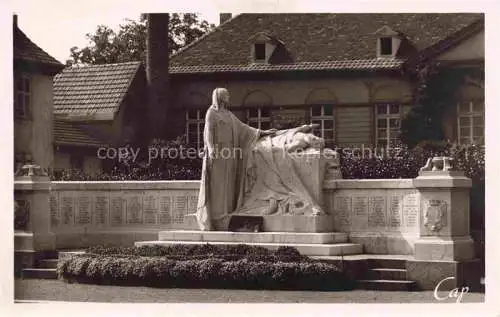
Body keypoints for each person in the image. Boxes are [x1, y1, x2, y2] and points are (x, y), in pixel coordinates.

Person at [196, 88, 276, 231]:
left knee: (229, 184)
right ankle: (216, 215)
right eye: (226, 95)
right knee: (218, 185)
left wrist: (261, 132)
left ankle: (227, 214)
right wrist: (211, 147)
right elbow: (208, 131)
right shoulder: (212, 113)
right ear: (220, 97)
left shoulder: (229, 114)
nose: (229, 98)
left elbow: (243, 129)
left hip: (230, 154)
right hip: (218, 154)